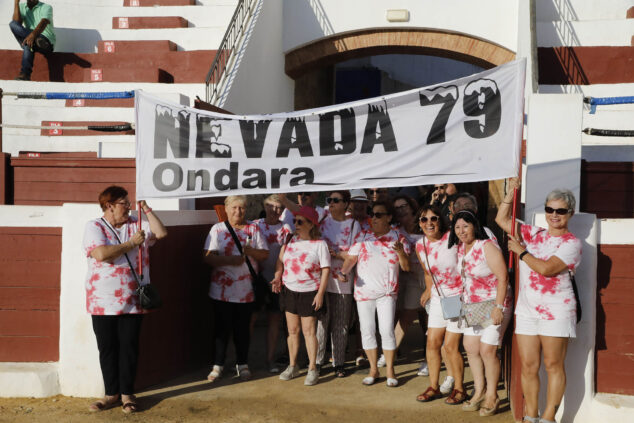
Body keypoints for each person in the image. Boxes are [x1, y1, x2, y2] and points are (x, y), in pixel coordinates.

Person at [495, 178, 582, 423]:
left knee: (554, 364)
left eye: (560, 210)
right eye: (550, 209)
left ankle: (548, 417)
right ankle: (531, 416)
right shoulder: (533, 233)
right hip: (527, 310)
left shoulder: (572, 243)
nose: (554, 215)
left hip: (556, 311)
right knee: (529, 366)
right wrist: (511, 194)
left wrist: (521, 252)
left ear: (570, 213)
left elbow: (547, 269)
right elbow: (502, 220)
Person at [83, 186, 167, 413]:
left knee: (129, 347)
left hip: (133, 299)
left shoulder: (135, 223)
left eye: (129, 203)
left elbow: (161, 233)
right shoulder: (94, 226)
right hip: (102, 299)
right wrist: (131, 244)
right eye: (124, 203)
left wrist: (146, 208)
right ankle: (111, 394)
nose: (129, 207)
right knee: (107, 348)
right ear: (109, 206)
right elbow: (101, 254)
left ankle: (128, 393)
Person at [339, 200, 410, 387]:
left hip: (387, 292)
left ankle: (390, 372)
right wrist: (344, 272)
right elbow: (351, 260)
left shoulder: (398, 237)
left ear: (389, 217)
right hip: (363, 293)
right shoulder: (362, 237)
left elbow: (406, 266)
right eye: (373, 214)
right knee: (367, 331)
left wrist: (402, 253)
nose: (374, 218)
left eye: (379, 214)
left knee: (386, 330)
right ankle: (373, 369)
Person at [449, 210, 512, 416]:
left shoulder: (486, 246)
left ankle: (492, 395)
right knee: (470, 347)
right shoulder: (460, 248)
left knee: (488, 350)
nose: (461, 231)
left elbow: (503, 277)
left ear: (474, 226)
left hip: (495, 303)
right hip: (472, 306)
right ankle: (479, 391)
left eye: (465, 226)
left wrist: (499, 307)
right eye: (458, 227)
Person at [204, 195, 269, 382]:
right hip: (221, 290)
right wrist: (229, 260)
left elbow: (264, 254)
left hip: (245, 290)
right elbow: (207, 257)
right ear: (226, 208)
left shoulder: (253, 229)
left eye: (241, 208)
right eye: (234, 208)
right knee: (221, 329)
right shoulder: (217, 230)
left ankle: (243, 363)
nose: (238, 211)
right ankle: (218, 365)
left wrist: (250, 252)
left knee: (243, 329)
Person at [272, 206, 331, 386]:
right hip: (290, 290)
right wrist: (277, 276)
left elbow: (326, 270)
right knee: (292, 330)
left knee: (309, 331)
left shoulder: (320, 244)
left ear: (311, 224)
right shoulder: (290, 240)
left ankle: (313, 368)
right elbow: (280, 261)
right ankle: (292, 365)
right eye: (294, 221)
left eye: (300, 221)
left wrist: (320, 293)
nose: (295, 224)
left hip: (309, 292)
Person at [414, 204, 466, 405]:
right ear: (419, 224)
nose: (429, 223)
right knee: (432, 343)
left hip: (458, 297)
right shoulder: (420, 245)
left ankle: (460, 389)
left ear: (441, 220)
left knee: (451, 346)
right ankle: (433, 386)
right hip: (438, 298)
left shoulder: (452, 238)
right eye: (424, 219)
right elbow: (428, 272)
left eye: (434, 218)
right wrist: (428, 289)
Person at [316, 190, 360, 377]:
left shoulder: (353, 224)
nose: (331, 203)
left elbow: (355, 254)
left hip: (343, 280)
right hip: (322, 281)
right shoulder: (322, 221)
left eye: (336, 200)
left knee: (341, 324)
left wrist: (337, 255)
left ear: (346, 204)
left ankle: (339, 362)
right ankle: (317, 361)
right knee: (321, 323)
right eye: (329, 200)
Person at [385, 195, 428, 377]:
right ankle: (389, 354)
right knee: (405, 316)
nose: (401, 210)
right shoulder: (394, 229)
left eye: (403, 206)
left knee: (428, 321)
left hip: (427, 276)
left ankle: (428, 359)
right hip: (404, 277)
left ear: (411, 207)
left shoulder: (425, 224)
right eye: (397, 208)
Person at [253, 195, 291, 373]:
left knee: (274, 319)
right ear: (264, 205)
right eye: (270, 206)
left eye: (278, 207)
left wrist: (279, 276)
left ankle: (270, 361)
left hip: (278, 279)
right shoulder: (254, 225)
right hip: (256, 279)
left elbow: (287, 257)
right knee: (251, 319)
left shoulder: (286, 229)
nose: (274, 210)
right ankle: (244, 360)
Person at [10, 0, 55, 81]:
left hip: (45, 40)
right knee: (12, 24)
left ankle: (25, 74)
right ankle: (25, 76)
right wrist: (16, 3)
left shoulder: (46, 7)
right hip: (31, 39)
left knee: (28, 44)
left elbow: (44, 22)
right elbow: (16, 23)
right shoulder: (22, 7)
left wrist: (33, 35)